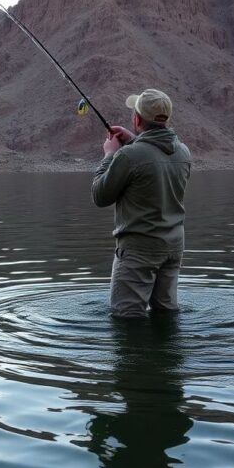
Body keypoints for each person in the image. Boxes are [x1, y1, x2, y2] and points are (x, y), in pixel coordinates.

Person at [91, 88, 192, 318]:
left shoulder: (129, 156)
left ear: (137, 119)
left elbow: (100, 196)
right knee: (166, 312)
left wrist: (109, 155)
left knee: (127, 317)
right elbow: (154, 159)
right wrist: (135, 141)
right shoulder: (184, 152)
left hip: (139, 249)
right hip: (174, 246)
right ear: (166, 119)